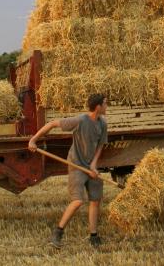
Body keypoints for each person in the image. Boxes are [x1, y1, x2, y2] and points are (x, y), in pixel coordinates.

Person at [28, 93, 108, 248]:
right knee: (78, 201)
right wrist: (33, 140)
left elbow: (100, 146)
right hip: (76, 165)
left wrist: (93, 165)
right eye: (105, 103)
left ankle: (93, 236)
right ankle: (57, 233)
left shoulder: (102, 124)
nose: (107, 106)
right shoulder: (80, 120)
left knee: (95, 200)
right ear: (98, 106)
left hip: (91, 166)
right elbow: (52, 124)